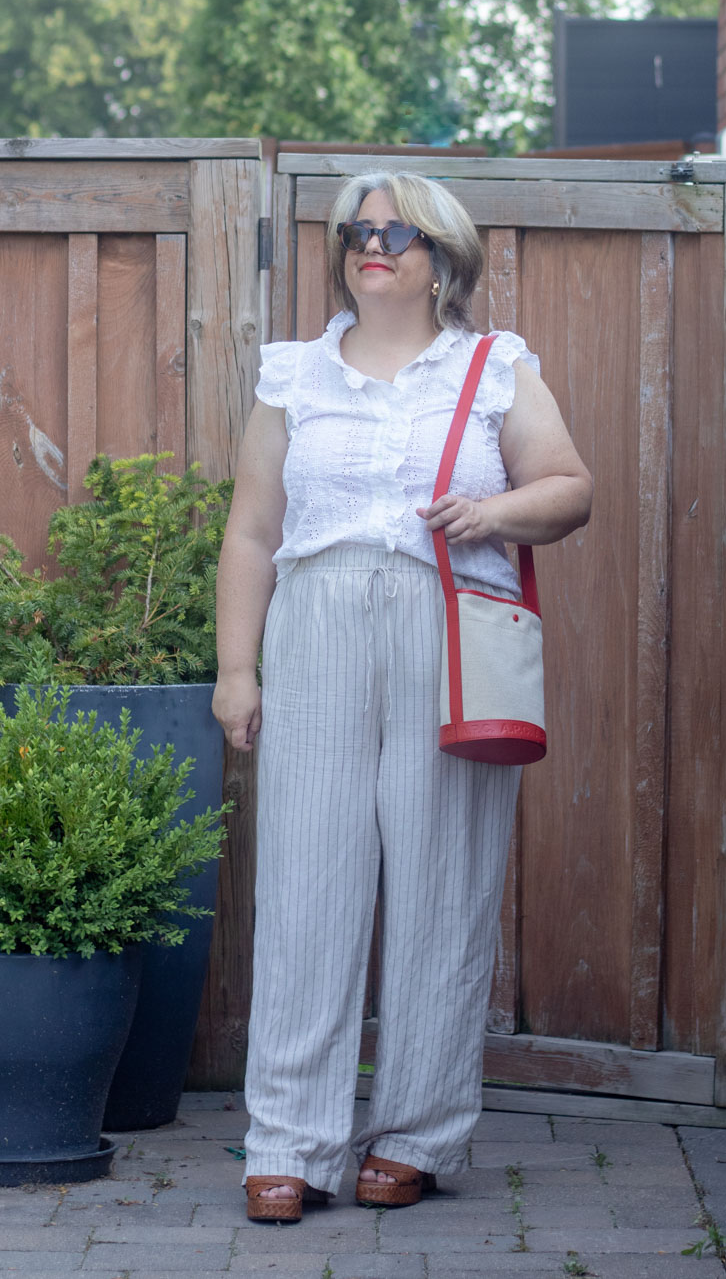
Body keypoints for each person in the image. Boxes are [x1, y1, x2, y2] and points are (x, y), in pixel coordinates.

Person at [212, 171, 592, 1223]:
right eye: (355, 231)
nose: (371, 245)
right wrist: (236, 668)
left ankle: (418, 1134)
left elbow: (571, 489)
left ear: (444, 257)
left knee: (441, 881)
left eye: (396, 232)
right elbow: (250, 531)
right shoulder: (293, 376)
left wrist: (493, 512)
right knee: (304, 883)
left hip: (445, 624)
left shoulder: (493, 367)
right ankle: (290, 1142)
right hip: (318, 620)